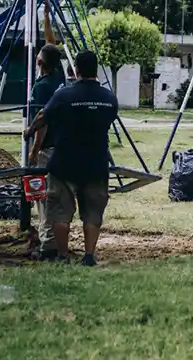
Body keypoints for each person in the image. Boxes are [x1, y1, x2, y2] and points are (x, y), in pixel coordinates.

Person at [24, 50, 118, 267]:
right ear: (96, 70)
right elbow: (109, 119)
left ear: (76, 70)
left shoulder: (64, 95)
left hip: (64, 163)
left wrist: (30, 133)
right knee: (93, 211)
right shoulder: (109, 98)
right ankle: (88, 256)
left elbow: (42, 117)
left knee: (60, 212)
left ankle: (63, 255)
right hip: (96, 163)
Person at [25, 1, 65, 260]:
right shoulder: (58, 76)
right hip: (60, 146)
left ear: (40, 60)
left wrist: (33, 149)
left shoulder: (42, 87)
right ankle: (49, 239)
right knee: (53, 195)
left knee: (43, 196)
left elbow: (43, 121)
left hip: (46, 146)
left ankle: (47, 244)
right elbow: (51, 45)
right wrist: (47, 18)